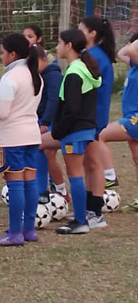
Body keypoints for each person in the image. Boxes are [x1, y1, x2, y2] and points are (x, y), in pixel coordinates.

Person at [40, 29, 102, 234]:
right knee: (40, 145)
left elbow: (72, 109)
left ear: (68, 46)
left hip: (74, 132)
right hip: (84, 129)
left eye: (59, 43)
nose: (56, 47)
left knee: (75, 175)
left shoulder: (74, 73)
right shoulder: (83, 68)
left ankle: (80, 220)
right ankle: (81, 214)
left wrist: (58, 131)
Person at [0, 33, 43, 246]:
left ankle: (15, 233)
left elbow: (2, 112)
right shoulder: (35, 75)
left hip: (13, 136)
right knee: (30, 181)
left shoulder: (10, 78)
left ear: (12, 54)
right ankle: (28, 228)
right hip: (32, 134)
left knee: (15, 184)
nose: (1, 57)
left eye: (2, 53)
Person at [99, 33, 138, 212]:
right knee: (137, 158)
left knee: (101, 136)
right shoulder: (134, 65)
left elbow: (129, 49)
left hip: (135, 119)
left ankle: (109, 176)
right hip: (131, 117)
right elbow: (123, 52)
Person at [79, 16, 118, 195]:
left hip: (91, 117)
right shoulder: (95, 55)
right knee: (88, 163)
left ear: (92, 34)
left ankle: (95, 209)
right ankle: (89, 207)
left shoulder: (93, 57)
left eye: (81, 30)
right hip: (93, 116)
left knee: (92, 164)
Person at [34, 44, 66, 203]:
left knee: (47, 152)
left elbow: (54, 100)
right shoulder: (39, 75)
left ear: (44, 59)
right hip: (42, 120)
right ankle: (49, 189)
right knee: (44, 153)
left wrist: (45, 122)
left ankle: (55, 190)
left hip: (53, 122)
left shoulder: (53, 75)